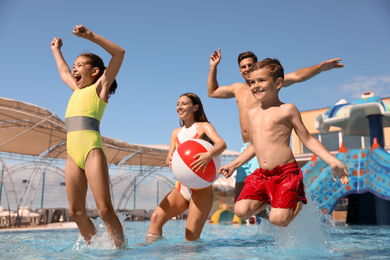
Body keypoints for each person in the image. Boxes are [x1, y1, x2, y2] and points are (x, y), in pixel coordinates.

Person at [218, 58, 349, 227]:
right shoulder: (253, 114)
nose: (256, 85)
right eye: (252, 82)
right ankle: (270, 199)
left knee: (278, 221)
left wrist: (333, 160)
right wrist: (234, 165)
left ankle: (297, 202)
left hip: (285, 174)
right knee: (241, 210)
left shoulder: (287, 109)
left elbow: (307, 138)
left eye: (262, 80)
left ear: (278, 83)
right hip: (262, 175)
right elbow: (254, 145)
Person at [51, 25, 125, 248]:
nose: (75, 69)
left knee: (104, 209)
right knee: (76, 211)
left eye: (80, 65)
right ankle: (93, 249)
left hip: (92, 150)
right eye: (75, 66)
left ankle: (120, 250)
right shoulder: (76, 89)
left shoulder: (100, 88)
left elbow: (119, 54)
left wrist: (90, 36)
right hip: (73, 153)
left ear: (95, 71)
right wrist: (56, 50)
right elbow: (64, 72)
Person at [147, 93, 226, 242]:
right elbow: (169, 157)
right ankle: (152, 253)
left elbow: (222, 145)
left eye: (184, 104)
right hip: (181, 187)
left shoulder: (204, 127)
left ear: (195, 107)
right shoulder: (175, 133)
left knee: (190, 236)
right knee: (156, 217)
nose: (179, 107)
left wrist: (208, 155)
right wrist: (169, 160)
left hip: (202, 188)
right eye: (178, 104)